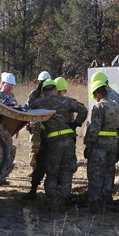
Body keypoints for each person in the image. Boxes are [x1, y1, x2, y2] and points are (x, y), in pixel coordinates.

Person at [29, 76, 87, 208]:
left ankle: (53, 202)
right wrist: (76, 124)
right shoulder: (66, 101)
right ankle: (65, 199)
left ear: (44, 91)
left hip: (54, 143)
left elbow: (31, 104)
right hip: (68, 141)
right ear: (55, 89)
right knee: (66, 171)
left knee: (52, 172)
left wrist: (37, 90)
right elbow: (83, 109)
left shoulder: (41, 102)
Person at [84, 77, 119, 212]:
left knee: (95, 173)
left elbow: (95, 128)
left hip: (99, 146)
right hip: (113, 145)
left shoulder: (99, 107)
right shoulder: (118, 106)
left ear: (98, 94)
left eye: (95, 96)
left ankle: (95, 204)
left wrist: (89, 144)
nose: (95, 98)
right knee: (109, 173)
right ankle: (106, 200)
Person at [24, 72, 54, 199]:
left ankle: (39, 172)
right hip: (36, 124)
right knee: (34, 147)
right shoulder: (34, 93)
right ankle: (33, 168)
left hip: (47, 127)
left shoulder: (51, 95)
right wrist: (27, 122)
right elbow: (28, 107)